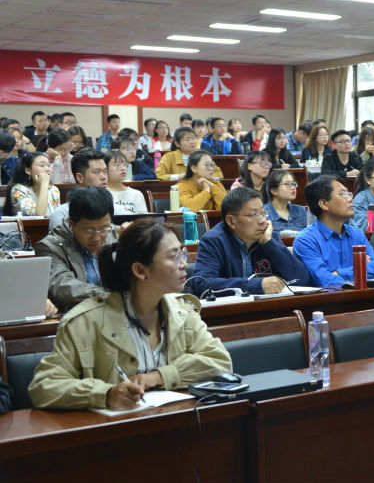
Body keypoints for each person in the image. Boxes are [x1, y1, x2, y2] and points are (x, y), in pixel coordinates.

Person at [29, 219, 231, 410]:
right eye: (173, 256)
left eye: (182, 253)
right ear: (141, 270)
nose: (184, 264)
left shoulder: (183, 311)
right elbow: (44, 385)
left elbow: (219, 361)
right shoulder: (85, 322)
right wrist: (106, 394)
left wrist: (160, 376)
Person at [193, 187, 310, 295]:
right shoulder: (214, 240)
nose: (262, 221)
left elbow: (301, 280)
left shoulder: (268, 237)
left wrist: (269, 244)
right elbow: (202, 284)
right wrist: (254, 285)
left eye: (263, 213)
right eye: (254, 215)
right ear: (231, 221)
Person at [35, 187, 118, 313]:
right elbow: (63, 286)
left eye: (104, 228)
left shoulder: (116, 235)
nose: (97, 237)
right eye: (88, 231)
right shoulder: (50, 247)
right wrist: (110, 296)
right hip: (73, 317)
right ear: (71, 224)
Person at [292, 175, 374, 287]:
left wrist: (339, 273)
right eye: (342, 194)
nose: (350, 199)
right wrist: (360, 268)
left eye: (349, 194)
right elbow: (324, 280)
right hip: (329, 298)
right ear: (324, 204)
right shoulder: (306, 240)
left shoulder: (356, 234)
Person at [48, 148, 109, 229]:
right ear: (80, 178)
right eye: (97, 172)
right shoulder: (62, 213)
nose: (103, 177)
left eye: (105, 171)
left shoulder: (115, 208)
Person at [2, 152, 61, 217]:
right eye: (42, 165)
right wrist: (44, 184)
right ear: (28, 170)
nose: (48, 169)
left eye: (49, 165)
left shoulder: (53, 190)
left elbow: (57, 217)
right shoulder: (18, 190)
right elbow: (39, 215)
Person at [156, 127, 222, 181]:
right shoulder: (169, 157)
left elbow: (218, 175)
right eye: (187, 139)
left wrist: (205, 176)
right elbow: (159, 175)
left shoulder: (203, 155)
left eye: (193, 138)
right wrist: (179, 176)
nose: (192, 142)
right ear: (177, 144)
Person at [262, 169, 307, 237]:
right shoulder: (263, 213)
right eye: (287, 184)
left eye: (293, 184)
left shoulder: (301, 210)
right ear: (274, 191)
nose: (293, 188)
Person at [105, 150, 148, 215]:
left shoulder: (136, 194)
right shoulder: (101, 194)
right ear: (105, 168)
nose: (123, 168)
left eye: (125, 164)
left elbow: (144, 219)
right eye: (117, 164)